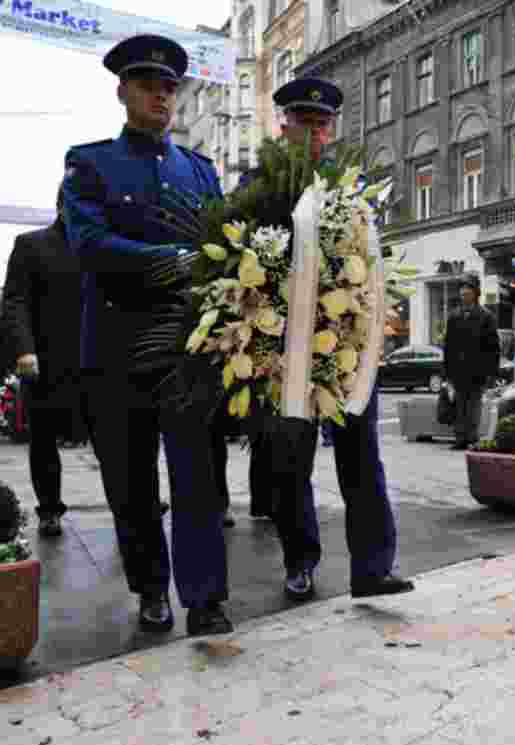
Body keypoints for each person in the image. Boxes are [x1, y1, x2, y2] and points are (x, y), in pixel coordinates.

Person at [62, 34, 232, 636]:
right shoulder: (90, 163)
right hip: (116, 346)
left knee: (198, 479)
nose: (161, 96)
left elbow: (224, 249)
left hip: (187, 349)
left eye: (169, 87)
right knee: (131, 483)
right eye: (148, 85)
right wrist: (175, 261)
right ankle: (151, 588)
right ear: (122, 91)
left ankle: (206, 596)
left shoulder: (200, 172)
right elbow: (89, 243)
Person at [249, 77, 414, 601]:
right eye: (306, 121)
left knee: (362, 458)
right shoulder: (261, 187)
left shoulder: (351, 188)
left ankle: (373, 567)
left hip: (344, 346)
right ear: (286, 125)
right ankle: (300, 560)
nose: (316, 131)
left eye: (323, 124)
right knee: (290, 464)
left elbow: (368, 262)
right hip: (287, 349)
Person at [1, 186, 83, 537]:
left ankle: (135, 504)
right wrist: (23, 349)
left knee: (121, 439)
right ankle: (49, 508)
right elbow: (14, 302)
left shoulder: (103, 246)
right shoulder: (31, 244)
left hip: (97, 360)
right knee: (44, 440)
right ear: (62, 206)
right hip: (44, 361)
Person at [442, 273, 501, 450]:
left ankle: (472, 438)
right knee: (459, 403)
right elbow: (448, 346)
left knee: (474, 403)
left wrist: (492, 372)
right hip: (458, 369)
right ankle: (460, 437)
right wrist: (446, 372)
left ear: (476, 293)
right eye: (462, 290)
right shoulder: (454, 316)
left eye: (467, 290)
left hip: (478, 369)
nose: (464, 294)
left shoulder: (486, 316)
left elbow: (494, 347)